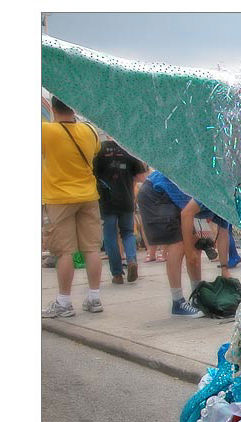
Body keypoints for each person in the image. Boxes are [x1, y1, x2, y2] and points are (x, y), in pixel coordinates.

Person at [42, 96, 104, 318]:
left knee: (64, 252)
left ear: (53, 108)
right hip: (88, 195)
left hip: (59, 198)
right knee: (91, 249)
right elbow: (94, 151)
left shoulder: (46, 131)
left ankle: (64, 302)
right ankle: (94, 297)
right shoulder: (90, 131)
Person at [136, 170, 205, 317]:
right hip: (156, 193)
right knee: (178, 244)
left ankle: (198, 296)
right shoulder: (211, 193)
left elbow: (223, 232)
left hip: (170, 194)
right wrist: (190, 250)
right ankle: (178, 302)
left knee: (193, 244)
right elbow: (186, 213)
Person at [93, 135, 147, 284]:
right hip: (126, 199)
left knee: (110, 237)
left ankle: (117, 274)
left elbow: (92, 173)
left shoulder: (99, 149)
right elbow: (142, 177)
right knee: (128, 233)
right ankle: (131, 260)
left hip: (106, 200)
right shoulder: (127, 147)